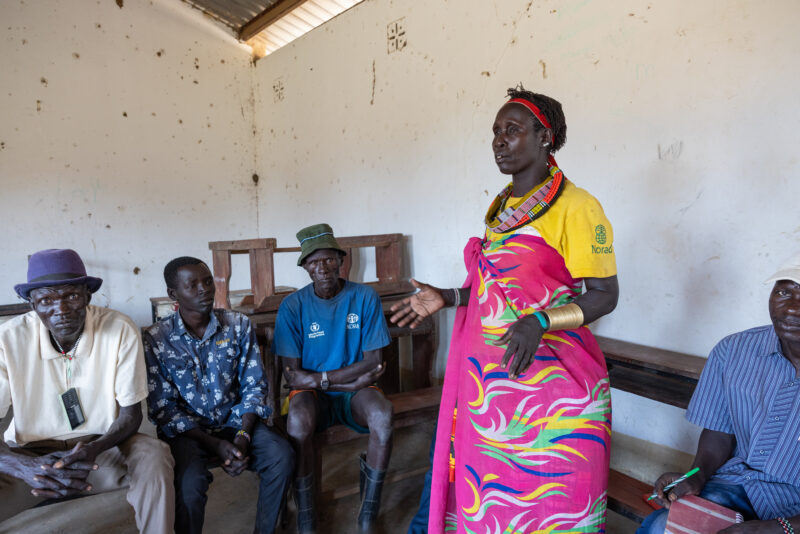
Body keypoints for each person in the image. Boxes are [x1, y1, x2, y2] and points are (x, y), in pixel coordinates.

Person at [391, 87, 619, 533]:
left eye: (512, 130)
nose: (499, 140)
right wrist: (449, 297)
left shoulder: (578, 207)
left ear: (544, 137)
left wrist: (541, 321)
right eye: (496, 131)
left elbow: (604, 295)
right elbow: (495, 291)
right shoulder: (502, 209)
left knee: (556, 506)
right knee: (493, 506)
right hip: (492, 395)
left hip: (556, 392)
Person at [0, 248, 174, 533]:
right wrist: (24, 468)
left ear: (87, 296)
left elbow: (131, 416)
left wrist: (94, 448)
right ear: (32, 305)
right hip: (32, 459)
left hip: (102, 450)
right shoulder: (7, 339)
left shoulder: (119, 329)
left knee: (154, 455)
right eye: (46, 300)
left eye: (71, 296)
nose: (62, 309)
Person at [638, 253, 800, 534]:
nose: (792, 309)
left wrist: (772, 528)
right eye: (784, 291)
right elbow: (719, 432)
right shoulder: (734, 350)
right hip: (735, 485)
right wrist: (696, 475)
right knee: (660, 527)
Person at [143, 256, 294, 534]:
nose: (204, 290)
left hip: (236, 422)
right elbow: (163, 408)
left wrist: (244, 436)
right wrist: (214, 444)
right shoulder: (156, 338)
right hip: (189, 432)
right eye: (193, 285)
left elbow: (254, 386)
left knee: (281, 455)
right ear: (173, 294)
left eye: (208, 281)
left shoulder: (238, 324)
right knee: (189, 485)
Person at [272, 223, 392, 534]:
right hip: (317, 394)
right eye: (314, 262)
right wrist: (342, 381)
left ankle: (367, 517)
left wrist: (322, 379)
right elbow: (292, 374)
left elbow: (374, 361)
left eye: (328, 260)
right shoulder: (293, 306)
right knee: (296, 422)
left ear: (341, 260)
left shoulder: (364, 297)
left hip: (357, 393)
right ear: (305, 267)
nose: (323, 268)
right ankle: (307, 519)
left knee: (382, 415)